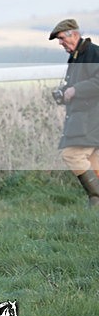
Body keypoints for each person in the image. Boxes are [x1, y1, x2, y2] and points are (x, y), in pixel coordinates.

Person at [49, 18, 99, 206]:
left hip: (92, 120)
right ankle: (95, 208)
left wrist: (75, 90)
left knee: (72, 155)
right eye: (59, 40)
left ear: (75, 34)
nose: (60, 43)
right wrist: (64, 92)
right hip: (84, 120)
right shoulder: (76, 56)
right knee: (93, 162)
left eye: (62, 38)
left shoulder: (93, 53)